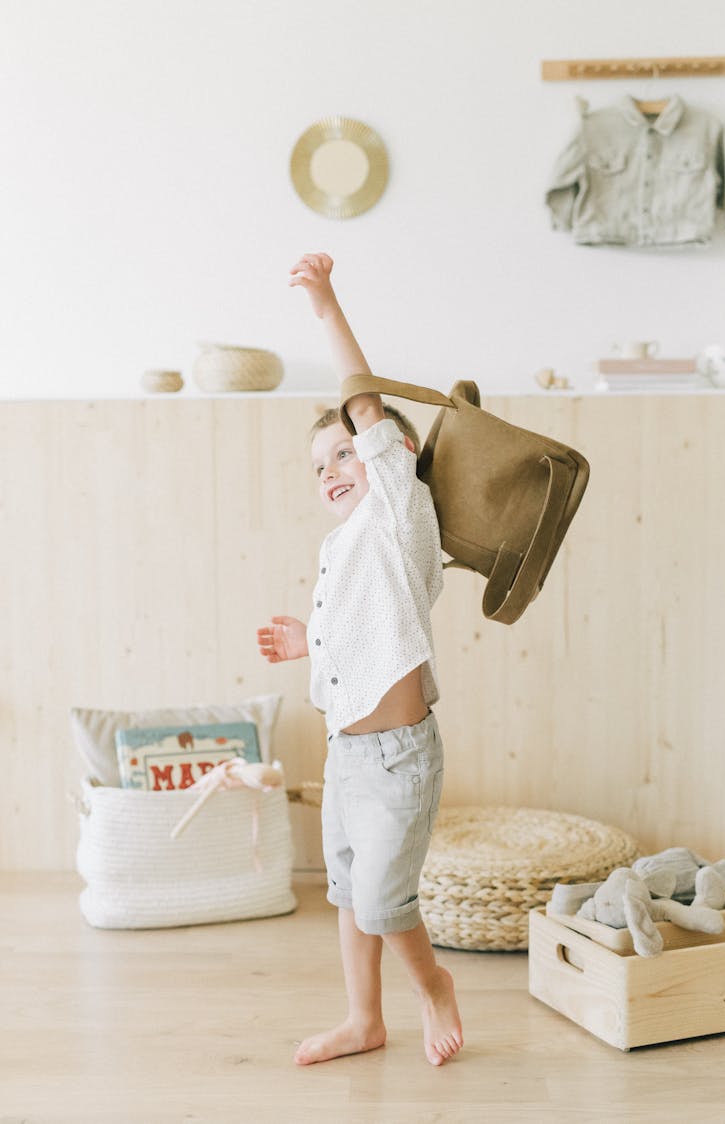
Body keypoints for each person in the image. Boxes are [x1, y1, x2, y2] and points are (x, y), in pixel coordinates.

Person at [257, 253, 463, 1068]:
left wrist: (325, 304)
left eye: (345, 454)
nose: (333, 473)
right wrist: (312, 641)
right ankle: (363, 1019)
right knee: (346, 893)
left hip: (399, 758)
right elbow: (370, 627)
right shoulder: (343, 548)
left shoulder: (400, 513)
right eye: (319, 468)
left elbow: (363, 401)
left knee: (382, 900)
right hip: (346, 752)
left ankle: (433, 986)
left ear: (389, 454)